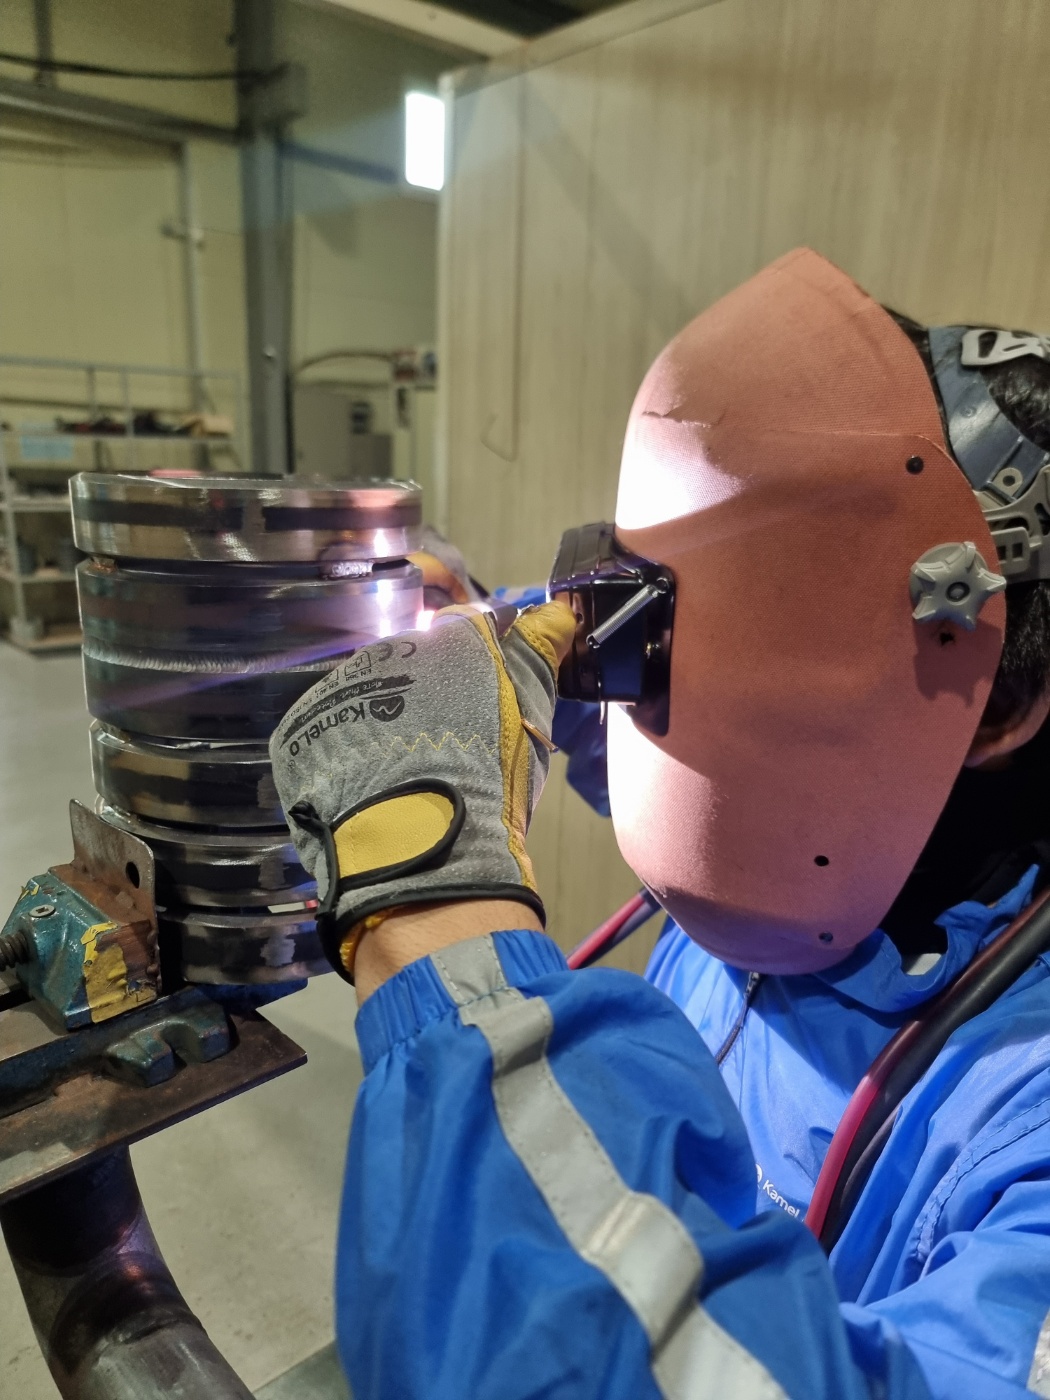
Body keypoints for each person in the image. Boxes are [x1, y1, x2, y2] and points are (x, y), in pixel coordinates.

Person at [269, 249, 1050, 1398]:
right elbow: (734, 757)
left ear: (1001, 700)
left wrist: (436, 904)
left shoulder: (1023, 1119)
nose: (668, 680)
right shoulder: (823, 841)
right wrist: (497, 672)